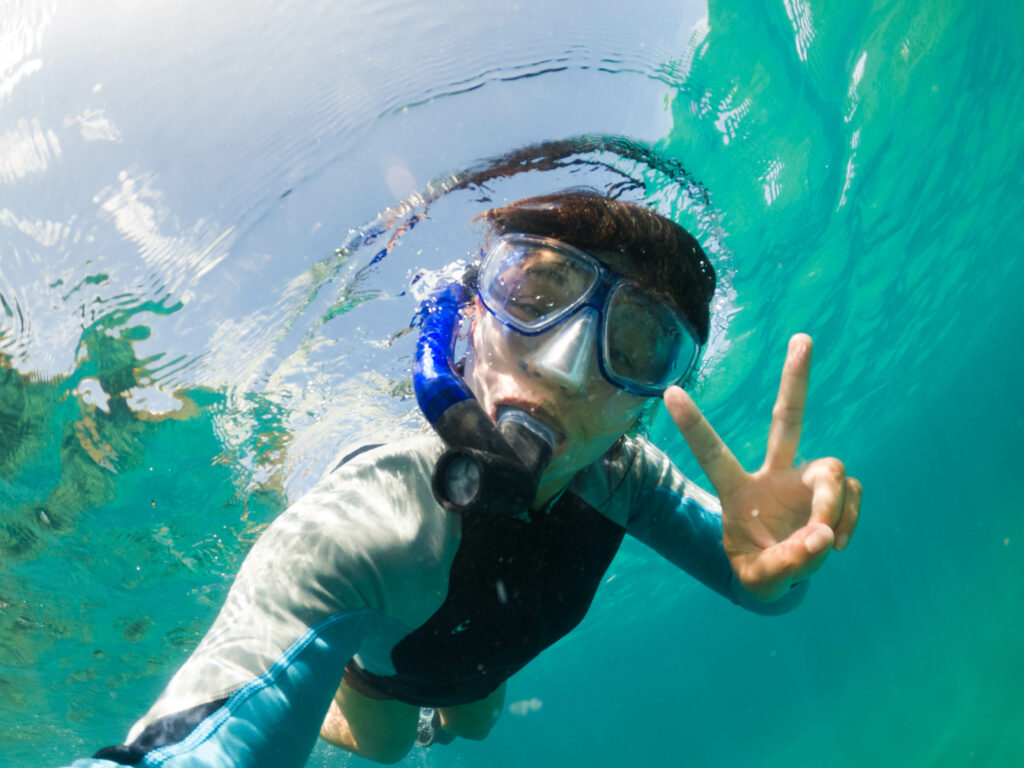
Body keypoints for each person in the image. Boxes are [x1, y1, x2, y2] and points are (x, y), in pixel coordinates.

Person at [67, 190, 860, 768]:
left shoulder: (626, 477)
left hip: (483, 665)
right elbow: (192, 747)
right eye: (534, 294)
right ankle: (339, 693)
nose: (564, 367)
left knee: (475, 725)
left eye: (637, 343)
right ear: (468, 316)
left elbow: (767, 586)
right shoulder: (370, 523)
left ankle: (432, 727)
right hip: (391, 676)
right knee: (382, 748)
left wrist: (783, 565)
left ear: (645, 408)